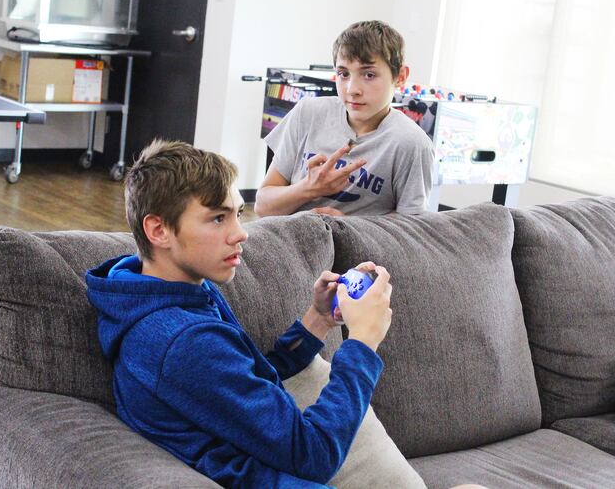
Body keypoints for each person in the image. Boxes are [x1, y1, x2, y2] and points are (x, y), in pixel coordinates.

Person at [86, 139, 394, 488]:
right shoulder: (182, 340)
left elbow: (242, 386)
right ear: (158, 230)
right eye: (217, 218)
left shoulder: (167, 294)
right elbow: (314, 455)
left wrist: (318, 321)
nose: (240, 233)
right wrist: (363, 345)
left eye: (238, 214)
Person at [255, 20, 434, 217]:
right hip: (288, 243)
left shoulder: (412, 144)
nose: (352, 90)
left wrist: (348, 230)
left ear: (400, 76)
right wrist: (308, 188)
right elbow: (263, 207)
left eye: (369, 75)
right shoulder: (308, 112)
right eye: (343, 74)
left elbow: (410, 232)